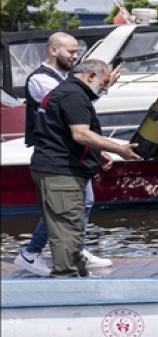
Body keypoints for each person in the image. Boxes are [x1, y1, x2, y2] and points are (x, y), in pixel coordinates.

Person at [13, 32, 115, 276]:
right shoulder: (41, 80)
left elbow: (81, 107)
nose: (75, 56)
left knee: (72, 208)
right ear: (53, 50)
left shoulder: (67, 80)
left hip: (72, 156)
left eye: (76, 52)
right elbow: (74, 109)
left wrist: (96, 150)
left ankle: (74, 250)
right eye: (70, 51)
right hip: (58, 159)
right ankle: (37, 253)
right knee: (63, 212)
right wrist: (117, 148)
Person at [27, 59, 140, 277]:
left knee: (71, 227)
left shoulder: (66, 91)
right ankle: (65, 278)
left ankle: (76, 275)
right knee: (66, 229)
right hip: (60, 172)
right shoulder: (73, 95)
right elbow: (80, 133)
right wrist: (119, 148)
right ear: (89, 76)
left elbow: (60, 132)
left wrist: (97, 153)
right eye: (105, 82)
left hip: (55, 168)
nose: (106, 87)